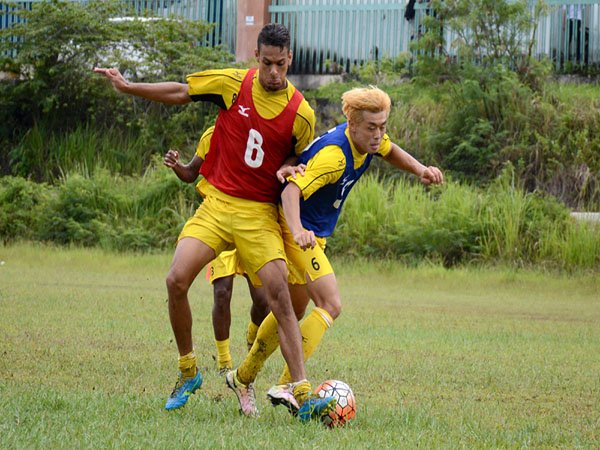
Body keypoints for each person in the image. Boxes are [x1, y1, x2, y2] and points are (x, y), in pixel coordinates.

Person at [94, 23, 335, 420]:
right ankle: (189, 370)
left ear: (290, 59)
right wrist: (129, 86)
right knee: (176, 279)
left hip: (258, 213)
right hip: (218, 204)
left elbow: (299, 157)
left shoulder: (302, 113)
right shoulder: (231, 84)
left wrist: (289, 168)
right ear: (257, 57)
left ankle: (303, 392)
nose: (274, 72)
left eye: (281, 64)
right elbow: (181, 91)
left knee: (279, 298)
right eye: (268, 63)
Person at [229, 86, 444, 414]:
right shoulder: (335, 156)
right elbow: (290, 192)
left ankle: (243, 376)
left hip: (310, 232)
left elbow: (389, 150)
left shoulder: (366, 140)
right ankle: (289, 384)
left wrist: (421, 170)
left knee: (295, 311)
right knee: (330, 303)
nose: (378, 135)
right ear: (352, 125)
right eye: (372, 128)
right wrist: (299, 230)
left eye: (383, 126)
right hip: (295, 229)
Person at [163, 126, 270, 376]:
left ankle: (252, 337)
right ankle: (224, 362)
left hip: (251, 222)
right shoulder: (213, 134)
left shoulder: (264, 133)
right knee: (222, 292)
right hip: (218, 221)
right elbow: (191, 173)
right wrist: (177, 165)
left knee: (263, 301)